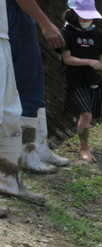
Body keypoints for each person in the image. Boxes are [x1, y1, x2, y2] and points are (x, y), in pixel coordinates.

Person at [58, 0, 102, 163]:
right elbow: (66, 59)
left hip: (95, 79)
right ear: (73, 14)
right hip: (75, 81)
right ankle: (84, 149)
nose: (87, 20)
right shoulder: (66, 32)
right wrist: (88, 61)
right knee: (86, 115)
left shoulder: (97, 33)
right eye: (83, 17)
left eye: (89, 17)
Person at [8, 0, 69, 174]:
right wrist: (46, 23)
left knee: (36, 85)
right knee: (28, 88)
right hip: (15, 18)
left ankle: (41, 148)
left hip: (20, 18)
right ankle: (28, 154)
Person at [0, 0, 44, 203]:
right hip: (6, 32)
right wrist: (47, 24)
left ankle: (8, 182)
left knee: (9, 113)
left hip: (4, 35)